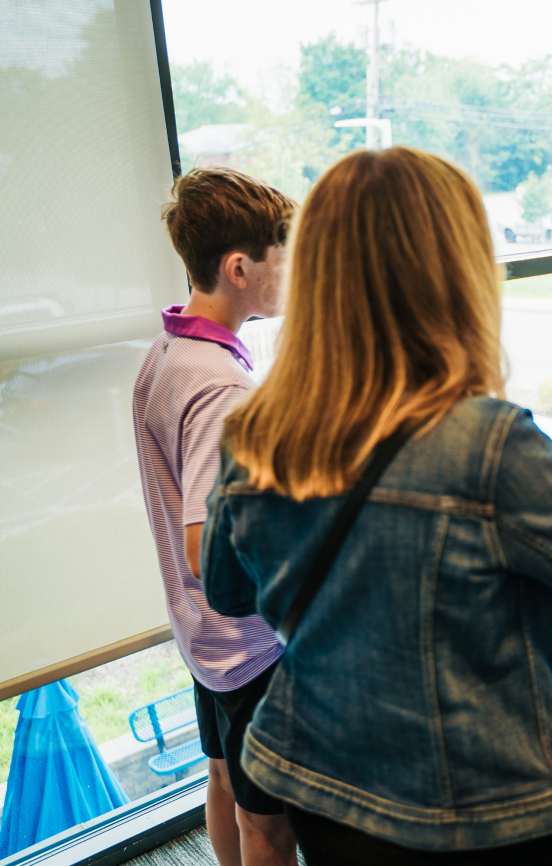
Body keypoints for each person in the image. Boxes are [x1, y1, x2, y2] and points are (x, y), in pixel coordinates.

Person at [200, 147, 552, 866]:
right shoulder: (491, 443)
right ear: (459, 274)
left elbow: (229, 592)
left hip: (322, 786)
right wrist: (537, 615)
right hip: (477, 810)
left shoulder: (256, 434)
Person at [132, 168, 297, 866]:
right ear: (239, 267)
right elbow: (208, 546)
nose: (291, 273)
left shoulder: (168, 351)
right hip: (248, 643)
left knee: (224, 779)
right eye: (281, 257)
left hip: (203, 637)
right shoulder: (217, 386)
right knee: (270, 823)